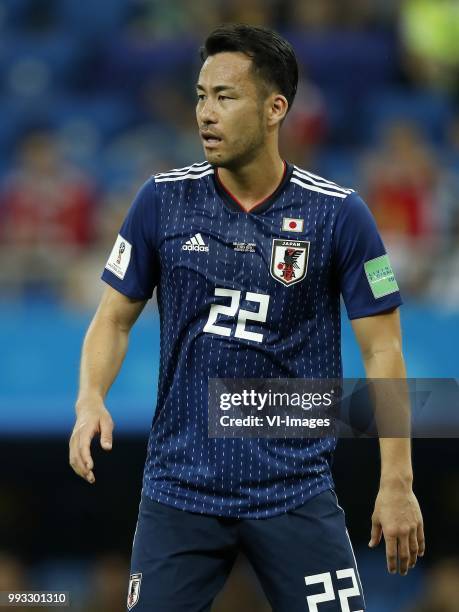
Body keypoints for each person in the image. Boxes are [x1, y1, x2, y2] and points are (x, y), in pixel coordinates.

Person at [69, 24, 425, 612]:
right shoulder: (160, 201)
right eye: (201, 96)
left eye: (226, 97)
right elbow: (112, 319)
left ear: (274, 108)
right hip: (180, 488)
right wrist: (89, 399)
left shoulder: (341, 216)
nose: (206, 113)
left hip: (295, 489)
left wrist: (398, 483)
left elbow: (384, 352)